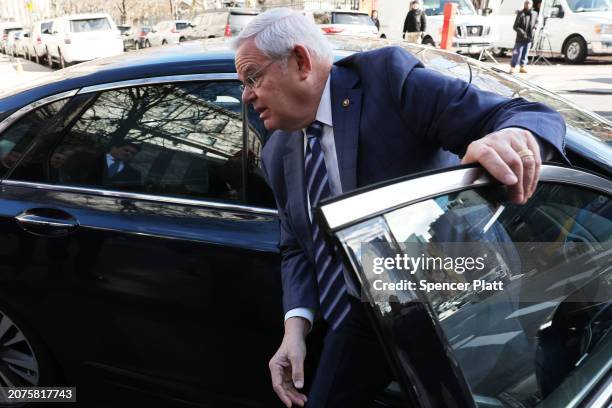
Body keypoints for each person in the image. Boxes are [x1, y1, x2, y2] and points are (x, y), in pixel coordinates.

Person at [232, 8, 565, 408]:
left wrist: (511, 139)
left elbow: (528, 115)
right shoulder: (277, 153)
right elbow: (296, 246)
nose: (246, 96)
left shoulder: (386, 80)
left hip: (455, 302)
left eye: (253, 78)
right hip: (364, 313)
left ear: (301, 62)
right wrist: (295, 329)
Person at [510, 0, 538, 74]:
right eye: (526, 3)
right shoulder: (520, 13)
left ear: (532, 5)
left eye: (529, 3)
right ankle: (512, 67)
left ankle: (522, 67)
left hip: (529, 38)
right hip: (520, 38)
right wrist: (522, 33)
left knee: (525, 54)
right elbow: (515, 26)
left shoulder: (535, 13)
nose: (527, 5)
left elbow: (536, 22)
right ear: (524, 4)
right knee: (517, 53)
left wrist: (535, 27)